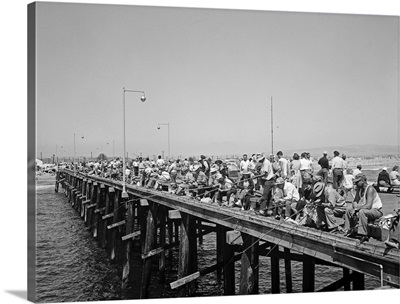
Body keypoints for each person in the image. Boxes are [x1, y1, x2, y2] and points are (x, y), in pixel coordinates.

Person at [343, 173, 383, 244]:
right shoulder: (359, 189)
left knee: (362, 212)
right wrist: (355, 208)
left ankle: (363, 234)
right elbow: (355, 200)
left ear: (362, 181)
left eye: (357, 182)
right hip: (368, 210)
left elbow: (368, 206)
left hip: (376, 211)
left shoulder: (370, 189)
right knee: (349, 209)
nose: (355, 184)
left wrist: (357, 209)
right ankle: (349, 229)